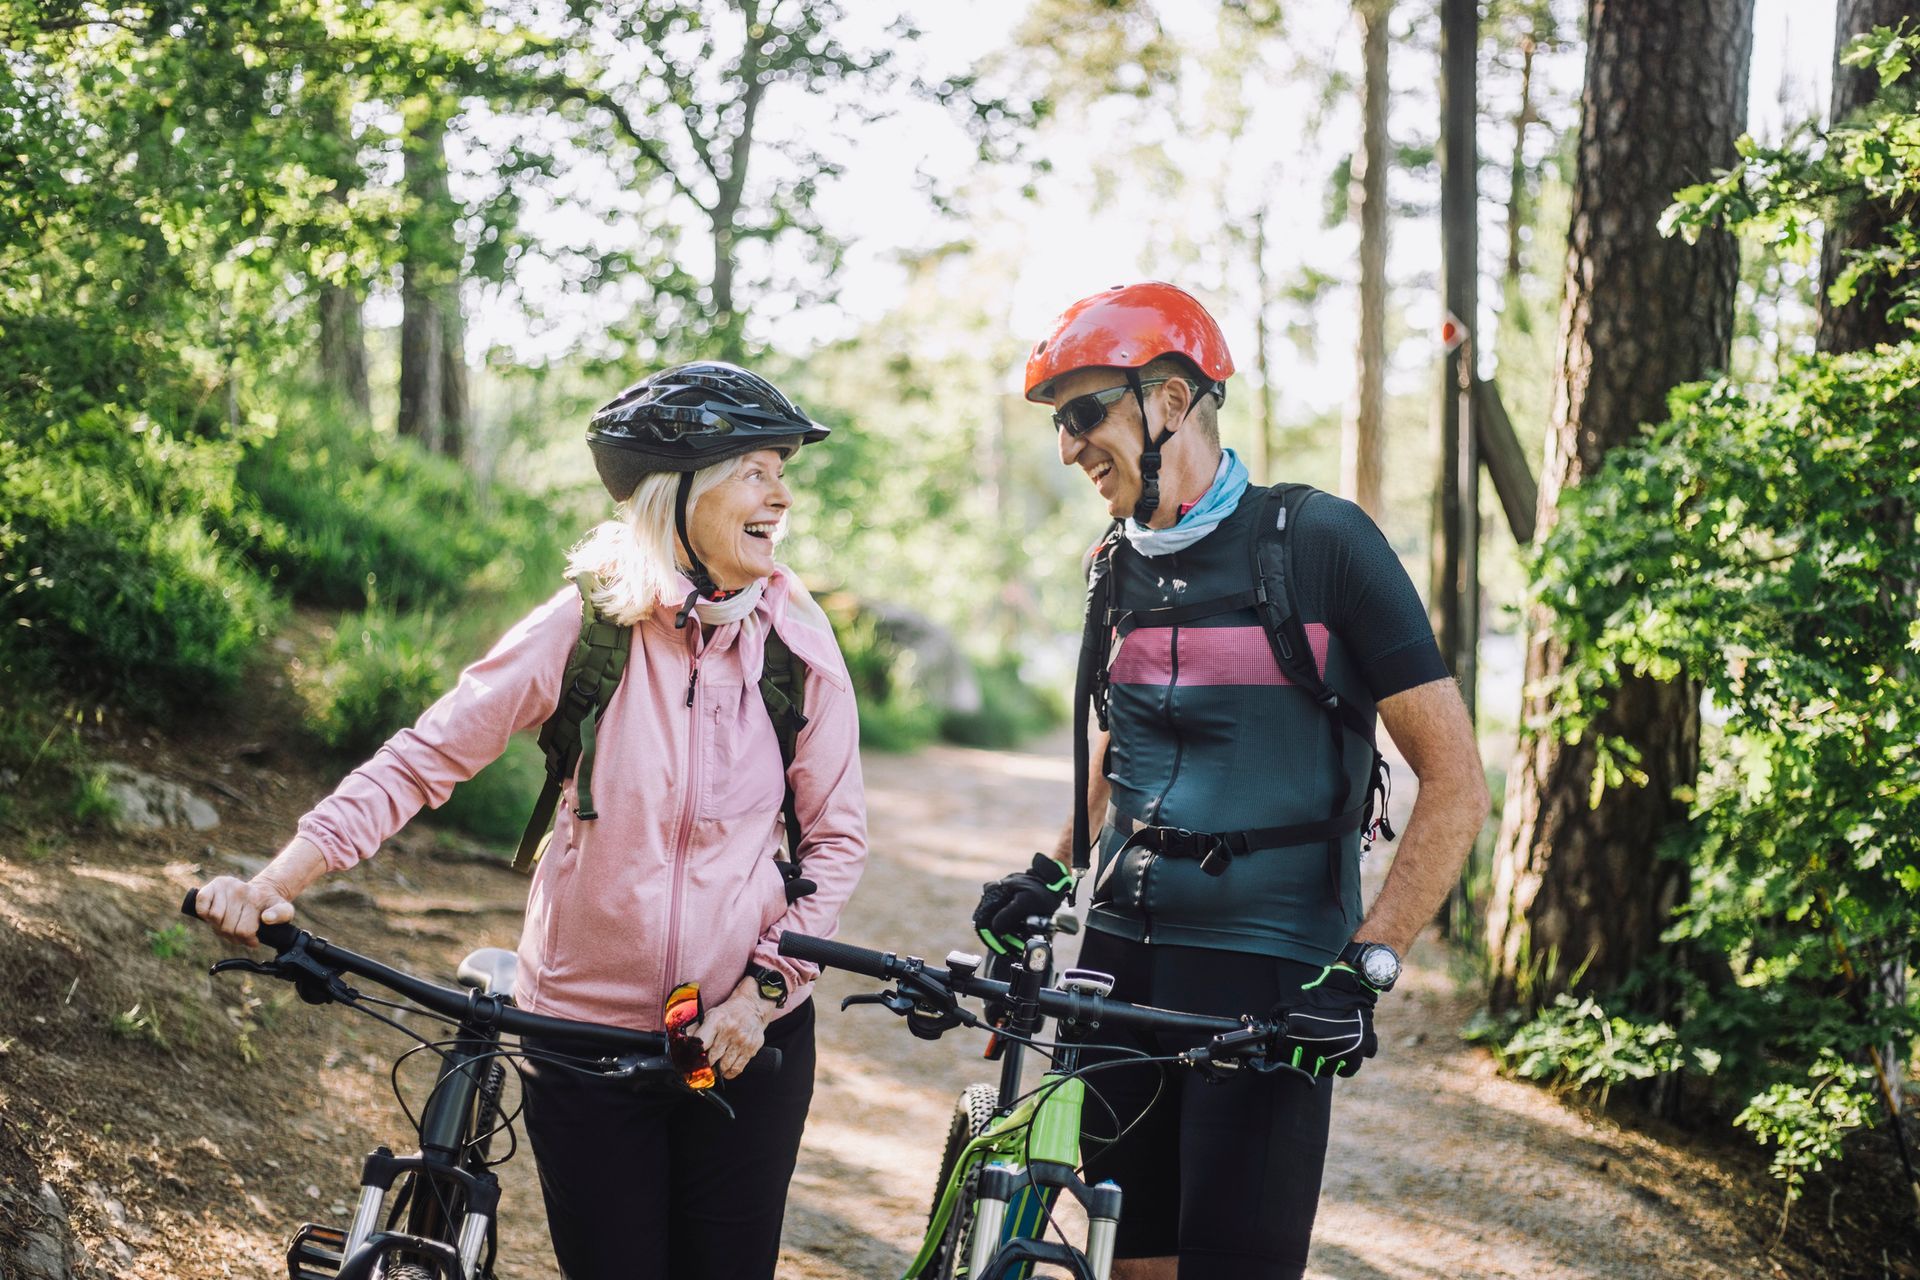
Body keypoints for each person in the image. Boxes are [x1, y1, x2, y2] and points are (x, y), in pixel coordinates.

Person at [190, 361, 869, 1280]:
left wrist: (764, 992)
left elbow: (833, 839)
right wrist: (275, 882)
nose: (782, 496)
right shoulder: (583, 627)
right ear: (681, 495)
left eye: (783, 472)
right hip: (584, 1040)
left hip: (747, 1043)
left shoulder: (795, 637)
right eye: (756, 470)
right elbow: (424, 757)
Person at [973, 282, 1490, 1279]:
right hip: (1120, 960)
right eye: (1059, 424)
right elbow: (1122, 755)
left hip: (1270, 977)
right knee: (1133, 1258)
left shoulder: (1321, 545)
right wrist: (1049, 869)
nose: (1070, 446)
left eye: (1085, 415)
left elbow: (1457, 778)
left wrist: (1370, 961)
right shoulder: (1112, 565)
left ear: (1168, 401)